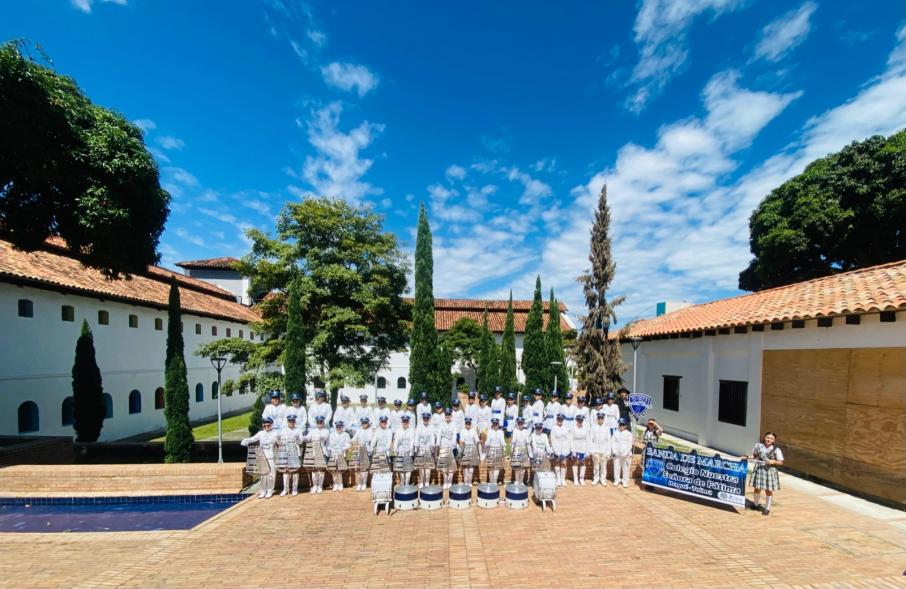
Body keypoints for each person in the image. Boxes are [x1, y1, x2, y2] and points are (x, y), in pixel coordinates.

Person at [241, 417, 278, 498]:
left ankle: (270, 490)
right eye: (265, 425)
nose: (266, 427)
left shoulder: (275, 433)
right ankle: (263, 490)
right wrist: (245, 440)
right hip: (262, 457)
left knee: (271, 474)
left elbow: (278, 442)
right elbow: (253, 439)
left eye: (268, 425)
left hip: (271, 457)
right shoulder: (261, 433)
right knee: (263, 475)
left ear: (271, 425)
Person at [748, 432, 784, 516]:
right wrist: (746, 457)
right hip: (759, 469)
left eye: (771, 438)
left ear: (774, 440)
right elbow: (755, 456)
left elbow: (781, 462)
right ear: (765, 437)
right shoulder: (758, 446)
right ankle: (756, 505)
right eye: (767, 437)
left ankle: (767, 509)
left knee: (768, 490)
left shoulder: (776, 449)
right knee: (757, 488)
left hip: (770, 471)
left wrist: (773, 461)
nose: (769, 439)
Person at [277, 414, 304, 496]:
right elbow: (278, 440)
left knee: (295, 471)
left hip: (295, 453)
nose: (291, 422)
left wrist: (297, 438)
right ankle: (285, 489)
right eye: (290, 421)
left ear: (295, 422)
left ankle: (294, 489)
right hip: (285, 452)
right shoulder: (283, 430)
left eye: (293, 421)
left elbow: (301, 442)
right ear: (287, 421)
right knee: (285, 471)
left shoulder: (298, 430)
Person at [302, 415, 330, 493]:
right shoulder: (313, 431)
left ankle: (320, 486)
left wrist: (316, 437)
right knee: (314, 470)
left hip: (322, 451)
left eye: (321, 422)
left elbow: (323, 437)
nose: (319, 423)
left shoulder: (326, 430)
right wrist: (301, 437)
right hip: (313, 452)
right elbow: (307, 438)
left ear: (323, 422)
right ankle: (315, 485)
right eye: (318, 422)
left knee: (321, 470)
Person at [326, 421, 351, 492]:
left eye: (340, 426)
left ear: (342, 427)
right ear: (335, 427)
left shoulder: (346, 434)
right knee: (333, 470)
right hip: (333, 454)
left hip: (341, 453)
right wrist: (330, 451)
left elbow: (349, 444)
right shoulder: (332, 435)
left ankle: (340, 483)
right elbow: (328, 445)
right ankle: (335, 484)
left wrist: (343, 448)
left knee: (339, 470)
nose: (339, 428)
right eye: (337, 427)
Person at [435, 409, 458, 489]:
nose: (447, 416)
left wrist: (453, 445)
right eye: (446, 415)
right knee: (444, 466)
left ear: (451, 416)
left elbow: (455, 435)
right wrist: (437, 444)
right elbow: (439, 434)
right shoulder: (441, 424)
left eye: (449, 415)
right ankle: (445, 481)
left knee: (451, 465)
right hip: (443, 444)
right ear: (445, 416)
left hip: (451, 445)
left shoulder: (454, 424)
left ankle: (450, 481)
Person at [351, 417, 374, 492]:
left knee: (365, 468)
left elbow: (370, 439)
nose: (364, 424)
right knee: (360, 468)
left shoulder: (370, 430)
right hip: (360, 450)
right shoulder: (359, 430)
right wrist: (348, 441)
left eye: (365, 423)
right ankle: (359, 483)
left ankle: (364, 483)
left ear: (368, 423)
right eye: (363, 423)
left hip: (367, 450)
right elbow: (354, 438)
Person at [589, 411, 612, 486]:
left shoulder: (607, 428)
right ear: (597, 419)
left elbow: (609, 440)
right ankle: (595, 479)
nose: (600, 420)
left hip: (604, 449)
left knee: (603, 466)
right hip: (596, 449)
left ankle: (603, 479)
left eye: (602, 418)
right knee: (596, 466)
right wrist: (592, 451)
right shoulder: (593, 427)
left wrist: (608, 452)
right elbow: (590, 439)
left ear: (603, 419)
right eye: (599, 418)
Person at [391, 414, 416, 485]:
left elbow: (412, 440)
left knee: (408, 468)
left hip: (408, 451)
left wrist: (410, 448)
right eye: (404, 421)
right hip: (400, 451)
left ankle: (407, 483)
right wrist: (395, 448)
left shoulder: (411, 430)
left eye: (406, 422)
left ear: (408, 422)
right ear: (402, 422)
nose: (405, 423)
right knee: (401, 469)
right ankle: (402, 482)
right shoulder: (398, 430)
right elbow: (396, 440)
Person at [414, 412, 436, 488]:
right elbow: (416, 437)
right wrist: (416, 446)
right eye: (424, 418)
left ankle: (427, 482)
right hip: (421, 448)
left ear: (429, 419)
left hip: (428, 449)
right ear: (422, 419)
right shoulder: (419, 426)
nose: (425, 420)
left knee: (428, 467)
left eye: (427, 418)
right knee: (421, 467)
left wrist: (432, 446)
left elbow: (433, 438)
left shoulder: (431, 427)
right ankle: (421, 482)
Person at [369, 415, 394, 482]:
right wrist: (371, 448)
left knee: (387, 469)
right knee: (377, 469)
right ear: (380, 423)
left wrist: (384, 450)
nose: (384, 423)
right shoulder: (377, 431)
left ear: (386, 423)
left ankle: (386, 482)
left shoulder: (389, 431)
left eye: (385, 422)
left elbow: (389, 443)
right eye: (382, 422)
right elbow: (374, 441)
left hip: (386, 452)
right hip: (378, 452)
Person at [458, 417, 481, 486]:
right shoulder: (462, 430)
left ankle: (469, 481)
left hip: (473, 448)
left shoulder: (473, 430)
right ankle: (465, 482)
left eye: (469, 423)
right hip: (464, 449)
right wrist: (461, 441)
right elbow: (461, 438)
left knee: (471, 467)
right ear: (465, 423)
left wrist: (479, 441)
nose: (468, 424)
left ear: (470, 423)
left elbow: (476, 439)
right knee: (465, 466)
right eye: (466, 423)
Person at [550, 414, 571, 487]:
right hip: (557, 447)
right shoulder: (554, 428)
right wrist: (555, 450)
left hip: (564, 448)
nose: (560, 421)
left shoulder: (566, 428)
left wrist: (568, 449)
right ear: (557, 419)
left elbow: (568, 439)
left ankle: (563, 479)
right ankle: (558, 479)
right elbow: (552, 439)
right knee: (557, 463)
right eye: (559, 419)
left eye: (561, 419)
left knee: (564, 463)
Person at [612, 418, 634, 488]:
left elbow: (629, 444)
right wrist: (614, 451)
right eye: (620, 424)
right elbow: (613, 442)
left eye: (622, 425)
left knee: (626, 469)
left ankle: (625, 481)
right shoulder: (615, 433)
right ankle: (617, 480)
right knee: (616, 468)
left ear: (626, 426)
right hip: (617, 454)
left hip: (626, 455)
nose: (621, 426)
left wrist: (625, 453)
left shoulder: (629, 434)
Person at [483, 418, 506, 484]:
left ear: (498, 424)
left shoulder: (501, 432)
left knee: (497, 467)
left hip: (498, 450)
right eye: (494, 424)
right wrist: (485, 443)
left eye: (496, 424)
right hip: (491, 451)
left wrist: (504, 445)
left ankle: (495, 480)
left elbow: (502, 441)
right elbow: (488, 441)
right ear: (492, 424)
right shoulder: (490, 431)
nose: (495, 425)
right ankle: (491, 480)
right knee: (491, 467)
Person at [510, 416, 532, 484]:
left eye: (521, 423)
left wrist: (530, 454)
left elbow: (528, 443)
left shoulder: (526, 431)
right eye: (519, 423)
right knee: (517, 467)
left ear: (523, 423)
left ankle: (521, 481)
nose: (520, 424)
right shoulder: (515, 430)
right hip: (517, 449)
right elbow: (513, 442)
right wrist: (511, 452)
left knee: (523, 467)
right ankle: (517, 481)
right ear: (517, 423)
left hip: (524, 449)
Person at [570, 414, 590, 485]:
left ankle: (581, 478)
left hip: (583, 447)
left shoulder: (586, 428)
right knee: (575, 462)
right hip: (575, 446)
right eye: (579, 420)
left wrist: (588, 451)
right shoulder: (573, 428)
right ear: (576, 420)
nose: (580, 421)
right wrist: (572, 450)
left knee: (583, 462)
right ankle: (575, 479)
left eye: (581, 420)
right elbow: (571, 439)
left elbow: (588, 439)